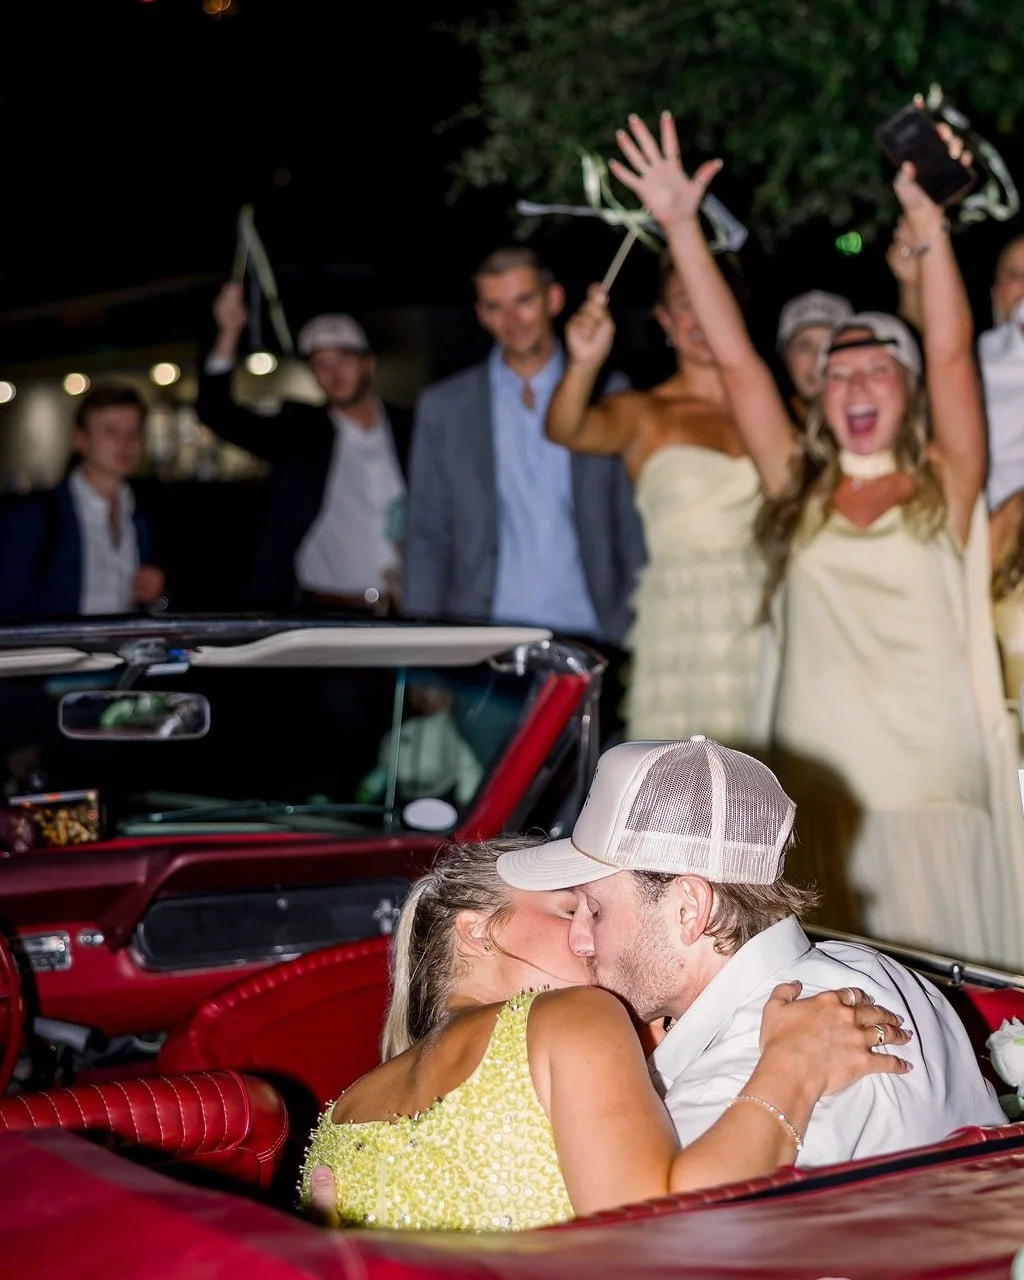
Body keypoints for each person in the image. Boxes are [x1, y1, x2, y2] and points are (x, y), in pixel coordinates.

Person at [604, 110, 1024, 967]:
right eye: (837, 372)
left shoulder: (948, 483)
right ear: (822, 398)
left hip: (929, 771)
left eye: (876, 368)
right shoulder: (798, 484)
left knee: (945, 969)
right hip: (818, 774)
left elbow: (950, 350)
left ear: (906, 391)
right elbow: (739, 362)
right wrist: (682, 226)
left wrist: (929, 223)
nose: (855, 381)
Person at [301, 835, 910, 1231]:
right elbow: (660, 1235)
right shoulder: (576, 1018)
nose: (591, 939)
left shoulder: (341, 1112)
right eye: (572, 910)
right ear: (477, 932)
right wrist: (792, 1068)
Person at [497, 737, 1005, 1166]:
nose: (580, 941)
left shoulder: (743, 1081)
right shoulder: (880, 971)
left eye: (595, 910)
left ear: (689, 908)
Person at [545, 248, 761, 745]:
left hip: (772, 615)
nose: (701, 316)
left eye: (713, 300)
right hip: (684, 623)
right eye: (684, 304)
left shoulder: (773, 408)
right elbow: (565, 429)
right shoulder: (645, 410)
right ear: (664, 319)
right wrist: (582, 363)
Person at [402, 246, 645, 652]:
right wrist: (422, 655)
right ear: (480, 314)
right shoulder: (444, 408)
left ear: (554, 299)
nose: (512, 320)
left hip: (594, 637)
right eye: (495, 307)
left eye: (524, 301)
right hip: (485, 640)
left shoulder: (609, 395)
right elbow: (427, 535)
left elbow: (632, 526)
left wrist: (642, 629)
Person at [196, 284, 412, 612]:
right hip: (330, 611)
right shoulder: (300, 431)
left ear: (368, 362)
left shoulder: (410, 427)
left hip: (409, 607)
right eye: (320, 364)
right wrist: (228, 333)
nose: (333, 373)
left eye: (343, 359)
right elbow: (218, 413)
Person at [0, 384, 165, 617]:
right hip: (60, 651)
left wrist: (156, 596)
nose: (126, 444)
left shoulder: (142, 515)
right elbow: (9, 611)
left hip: (125, 650)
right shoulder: (35, 518)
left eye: (134, 432)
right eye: (111, 432)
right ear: (80, 440)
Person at [775, 290, 853, 424]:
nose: (818, 358)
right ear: (785, 357)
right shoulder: (767, 423)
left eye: (830, 345)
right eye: (803, 346)